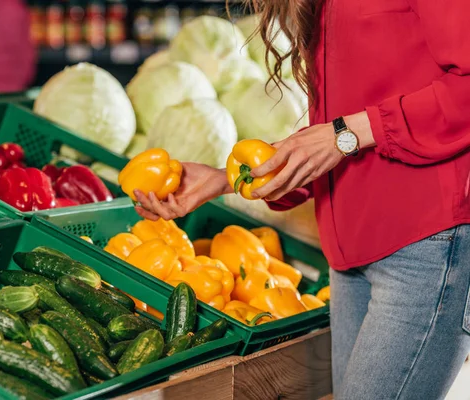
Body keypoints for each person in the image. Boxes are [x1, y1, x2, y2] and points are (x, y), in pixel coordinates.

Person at [135, 0, 470, 398]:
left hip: (427, 247)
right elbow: (337, 129)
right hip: (348, 254)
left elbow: (353, 130)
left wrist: (348, 133)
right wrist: (227, 180)